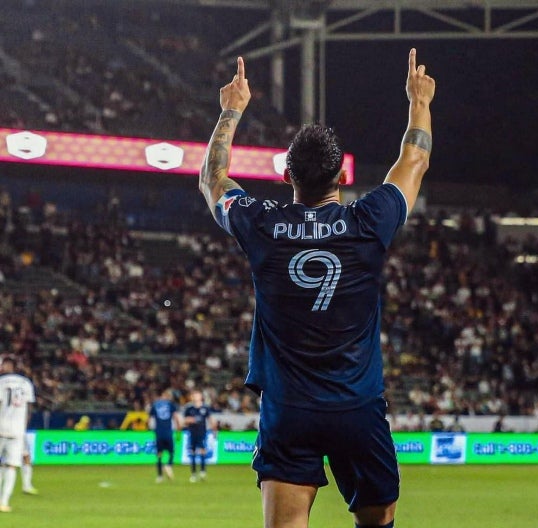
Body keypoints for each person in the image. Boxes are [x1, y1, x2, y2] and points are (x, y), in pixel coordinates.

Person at [199, 48, 434, 528]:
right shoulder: (369, 221)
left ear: (286, 175)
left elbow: (212, 179)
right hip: (357, 408)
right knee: (378, 520)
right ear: (341, 176)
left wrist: (231, 110)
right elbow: (415, 158)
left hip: (289, 410)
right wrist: (419, 102)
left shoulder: (261, 224)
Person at [0, 357, 36, 512]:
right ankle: (4, 502)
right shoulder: (26, 383)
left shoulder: (2, 382)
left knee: (6, 465)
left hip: (1, 426)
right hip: (17, 430)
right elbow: (29, 408)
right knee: (12, 466)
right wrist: (23, 426)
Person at [183, 390, 216, 483]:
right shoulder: (189, 408)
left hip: (202, 433)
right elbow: (184, 421)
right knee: (192, 453)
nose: (195, 397)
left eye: (197, 395)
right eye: (194, 396)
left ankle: (202, 472)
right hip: (192, 433)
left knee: (202, 451)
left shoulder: (205, 408)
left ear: (201, 397)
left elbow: (210, 419)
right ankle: (193, 474)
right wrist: (190, 420)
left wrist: (214, 429)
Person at [148, 390, 180, 483]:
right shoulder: (170, 405)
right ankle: (168, 465)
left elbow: (150, 419)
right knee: (172, 452)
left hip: (158, 432)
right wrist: (178, 428)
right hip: (168, 432)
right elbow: (175, 417)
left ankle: (159, 476)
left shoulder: (155, 405)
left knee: (159, 454)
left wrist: (151, 428)